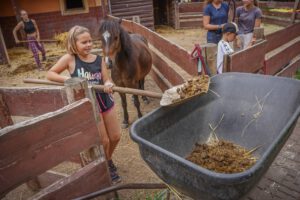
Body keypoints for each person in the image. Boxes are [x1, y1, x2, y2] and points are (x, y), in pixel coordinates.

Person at [46, 26, 121, 183]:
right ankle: (106, 165)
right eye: (83, 42)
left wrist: (108, 83)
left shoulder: (99, 59)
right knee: (104, 141)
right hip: (89, 103)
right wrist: (70, 80)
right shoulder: (69, 59)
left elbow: (107, 79)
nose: (88, 45)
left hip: (104, 99)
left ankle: (107, 159)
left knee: (115, 136)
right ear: (74, 43)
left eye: (90, 41)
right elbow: (50, 74)